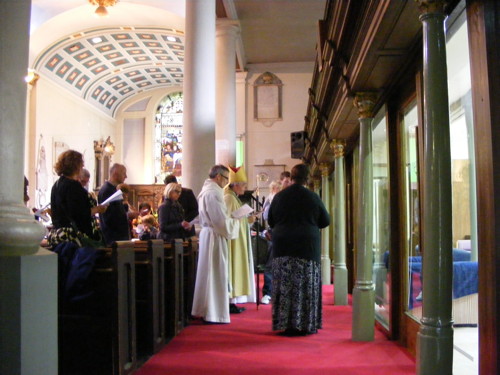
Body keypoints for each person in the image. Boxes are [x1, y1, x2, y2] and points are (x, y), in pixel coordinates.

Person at [268, 163, 330, 335]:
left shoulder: (279, 197)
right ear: (307, 178)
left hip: (283, 246)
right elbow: (325, 221)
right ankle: (305, 324)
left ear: (292, 177)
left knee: (285, 284)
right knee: (305, 285)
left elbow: (271, 220)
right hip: (306, 247)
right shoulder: (312, 197)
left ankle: (285, 324)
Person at [191, 165, 239, 324]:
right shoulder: (213, 194)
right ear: (218, 177)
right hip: (214, 237)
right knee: (215, 274)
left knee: (209, 274)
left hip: (210, 235)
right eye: (226, 179)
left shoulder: (207, 191)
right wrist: (236, 220)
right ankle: (214, 313)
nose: (226, 183)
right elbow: (220, 221)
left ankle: (206, 309)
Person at [48, 150, 107, 247]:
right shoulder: (73, 186)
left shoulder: (57, 184)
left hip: (60, 235)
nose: (82, 168)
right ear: (76, 166)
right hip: (73, 239)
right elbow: (79, 214)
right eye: (81, 165)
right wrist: (97, 209)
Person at [224, 166, 256, 313]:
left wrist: (248, 219)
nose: (244, 188)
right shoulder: (229, 198)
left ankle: (233, 300)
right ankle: (230, 300)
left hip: (238, 239)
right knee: (233, 267)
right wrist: (246, 218)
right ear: (235, 185)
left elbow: (237, 218)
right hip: (233, 242)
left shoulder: (233, 197)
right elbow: (229, 220)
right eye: (243, 185)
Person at [260, 179, 282, 305]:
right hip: (274, 232)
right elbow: (267, 217)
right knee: (270, 264)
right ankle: (268, 292)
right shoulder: (270, 200)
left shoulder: (279, 199)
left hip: (281, 232)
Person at [98, 163, 130, 245]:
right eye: (124, 173)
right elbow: (108, 217)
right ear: (115, 173)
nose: (126, 176)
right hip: (113, 238)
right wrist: (127, 216)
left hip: (118, 237)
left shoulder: (113, 190)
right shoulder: (107, 191)